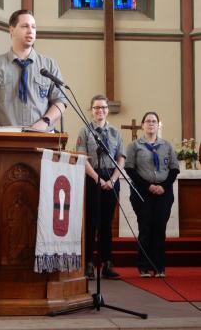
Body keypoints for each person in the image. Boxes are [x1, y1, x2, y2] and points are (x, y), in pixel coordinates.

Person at [0, 9, 66, 131]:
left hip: (42, 137)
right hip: (6, 141)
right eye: (25, 26)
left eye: (33, 27)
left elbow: (60, 100)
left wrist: (45, 122)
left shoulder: (49, 65)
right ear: (11, 30)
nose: (30, 31)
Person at [76, 95, 126, 280]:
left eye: (103, 107)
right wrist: (97, 179)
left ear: (107, 110)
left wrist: (112, 179)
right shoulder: (85, 131)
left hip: (112, 178)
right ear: (91, 110)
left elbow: (121, 157)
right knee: (91, 223)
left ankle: (107, 264)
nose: (100, 111)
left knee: (106, 224)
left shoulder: (115, 132)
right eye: (96, 108)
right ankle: (88, 264)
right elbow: (82, 157)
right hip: (92, 177)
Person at [125, 112, 180, 278]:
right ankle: (143, 266)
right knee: (145, 228)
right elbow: (129, 169)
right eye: (148, 121)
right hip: (142, 192)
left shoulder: (167, 145)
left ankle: (159, 266)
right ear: (143, 125)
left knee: (159, 228)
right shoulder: (135, 145)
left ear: (158, 125)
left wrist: (163, 186)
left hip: (164, 193)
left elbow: (174, 169)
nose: (151, 124)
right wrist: (148, 186)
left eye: (154, 121)